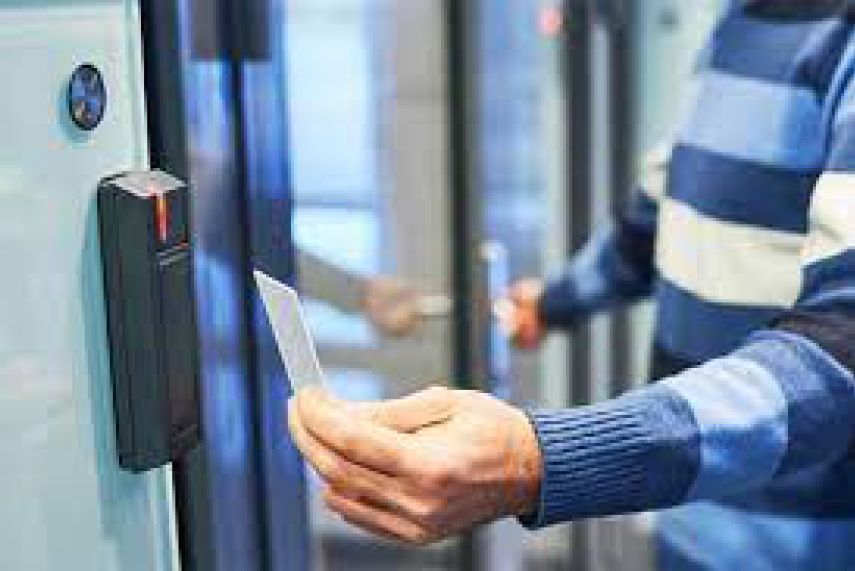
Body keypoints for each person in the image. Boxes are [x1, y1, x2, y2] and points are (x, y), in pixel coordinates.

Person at [288, 1, 855, 568]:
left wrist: (538, 460)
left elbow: (840, 354)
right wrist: (554, 303)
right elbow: (662, 211)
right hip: (690, 515)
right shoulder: (742, 19)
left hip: (800, 539)